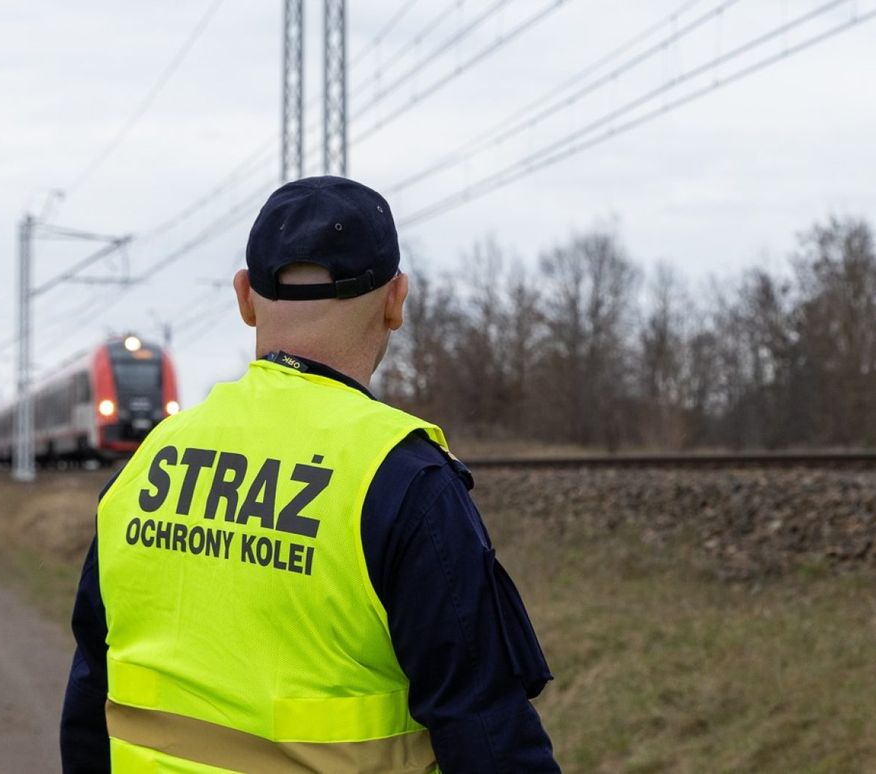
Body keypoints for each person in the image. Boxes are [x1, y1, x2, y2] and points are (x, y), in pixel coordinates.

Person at [61, 176, 558, 773]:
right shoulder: (404, 480)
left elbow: (89, 701)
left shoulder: (149, 462)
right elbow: (488, 738)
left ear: (244, 298)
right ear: (396, 299)